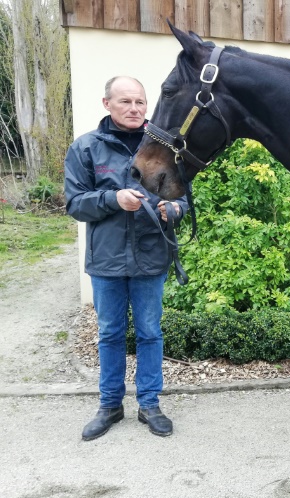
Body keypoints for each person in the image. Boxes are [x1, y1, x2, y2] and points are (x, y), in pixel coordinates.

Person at [64, 76, 187, 440]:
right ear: (107, 104)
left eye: (139, 102)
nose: (134, 108)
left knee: (150, 333)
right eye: (125, 102)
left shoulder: (162, 150)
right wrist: (112, 199)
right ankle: (110, 405)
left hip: (150, 257)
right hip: (107, 260)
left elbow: (182, 198)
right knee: (110, 334)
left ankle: (149, 404)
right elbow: (75, 204)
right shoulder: (86, 148)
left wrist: (174, 210)